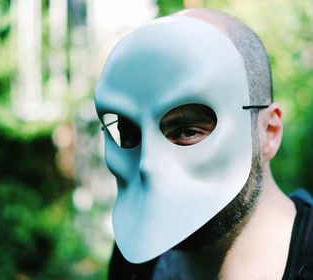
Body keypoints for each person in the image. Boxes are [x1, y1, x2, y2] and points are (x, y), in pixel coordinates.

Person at [94, 8, 313, 280]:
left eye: (187, 131)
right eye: (129, 134)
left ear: (269, 132)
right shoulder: (136, 265)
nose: (147, 165)